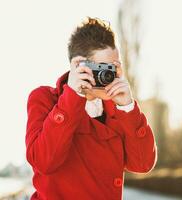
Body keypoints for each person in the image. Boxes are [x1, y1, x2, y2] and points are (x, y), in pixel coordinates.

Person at [25, 17, 157, 200]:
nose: (109, 75)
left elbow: (142, 164)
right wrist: (73, 96)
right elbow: (44, 162)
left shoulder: (117, 110)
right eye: (103, 68)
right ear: (78, 66)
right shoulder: (45, 99)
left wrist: (128, 107)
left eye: (115, 67)